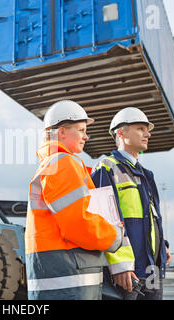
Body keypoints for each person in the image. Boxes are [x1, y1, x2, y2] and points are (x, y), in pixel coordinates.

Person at [25, 100, 124, 300]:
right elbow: (78, 223)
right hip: (70, 280)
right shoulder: (63, 163)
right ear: (62, 132)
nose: (86, 136)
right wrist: (115, 236)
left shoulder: (52, 164)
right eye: (80, 130)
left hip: (62, 279)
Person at [91, 107, 171, 300]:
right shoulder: (106, 168)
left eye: (147, 129)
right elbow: (104, 220)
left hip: (152, 268)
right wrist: (119, 266)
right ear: (121, 132)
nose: (148, 134)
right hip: (126, 272)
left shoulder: (147, 175)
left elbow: (153, 218)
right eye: (141, 128)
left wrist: (163, 246)